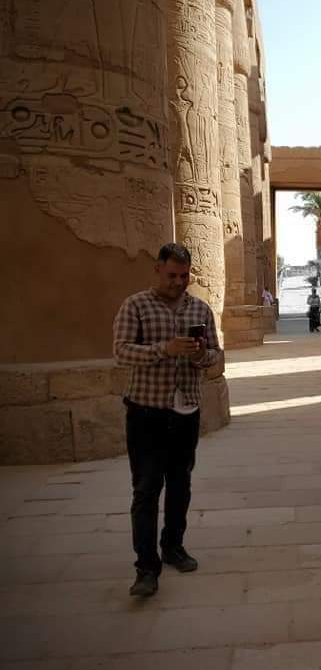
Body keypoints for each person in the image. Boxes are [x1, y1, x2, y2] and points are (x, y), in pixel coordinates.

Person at [113, 242, 220, 598]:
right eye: (172, 275)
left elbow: (215, 356)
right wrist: (166, 349)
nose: (178, 282)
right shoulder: (136, 306)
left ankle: (173, 546)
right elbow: (121, 351)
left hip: (186, 410)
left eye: (184, 276)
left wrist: (201, 355)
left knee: (180, 484)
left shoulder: (200, 309)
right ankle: (146, 568)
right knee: (146, 488)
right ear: (158, 269)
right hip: (146, 412)